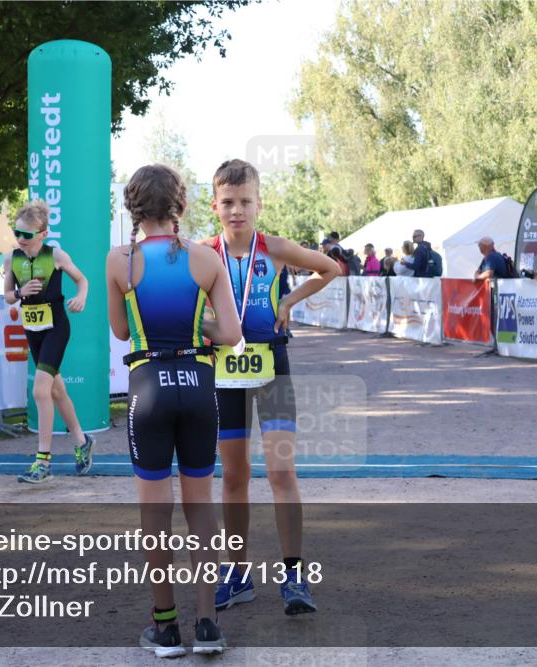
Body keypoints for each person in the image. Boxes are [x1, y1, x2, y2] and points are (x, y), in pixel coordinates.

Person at [107, 164, 243, 656]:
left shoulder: (118, 260)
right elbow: (230, 334)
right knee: (199, 507)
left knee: (155, 510)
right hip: (198, 385)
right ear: (180, 206)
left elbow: (121, 332)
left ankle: (165, 626)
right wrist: (195, 326)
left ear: (133, 208)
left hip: (149, 388)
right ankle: (207, 622)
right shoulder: (207, 259)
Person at [203, 159, 340, 616]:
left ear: (259, 204)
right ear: (215, 205)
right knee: (235, 476)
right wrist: (204, 326)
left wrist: (288, 298)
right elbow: (186, 305)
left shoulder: (275, 248)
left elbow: (329, 268)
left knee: (282, 472)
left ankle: (294, 576)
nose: (236, 210)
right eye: (228, 202)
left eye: (245, 202)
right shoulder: (203, 254)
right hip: (225, 373)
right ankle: (237, 575)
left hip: (272, 367)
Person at [3, 201, 94, 484]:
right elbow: (7, 296)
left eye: (27, 234)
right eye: (17, 232)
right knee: (56, 390)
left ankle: (42, 462)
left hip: (56, 327)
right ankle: (82, 441)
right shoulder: (11, 259)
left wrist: (81, 297)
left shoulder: (56, 255)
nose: (20, 238)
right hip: (32, 327)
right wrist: (20, 292)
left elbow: (83, 280)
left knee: (41, 390)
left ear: (43, 233)